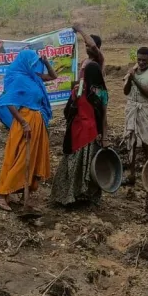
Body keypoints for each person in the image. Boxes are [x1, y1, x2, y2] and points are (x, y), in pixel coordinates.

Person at [0, 49, 57, 212]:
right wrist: (23, 123)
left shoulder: (34, 78)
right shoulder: (19, 79)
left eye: (36, 63)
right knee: (20, 158)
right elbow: (8, 102)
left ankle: (24, 193)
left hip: (37, 121)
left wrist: (46, 61)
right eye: (33, 63)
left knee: (33, 158)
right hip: (25, 122)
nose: (36, 66)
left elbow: (53, 76)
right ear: (25, 63)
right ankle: (1, 195)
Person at [52, 61, 108, 207]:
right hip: (91, 133)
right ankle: (86, 195)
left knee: (73, 164)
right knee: (90, 166)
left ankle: (69, 195)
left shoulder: (82, 90)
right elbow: (104, 117)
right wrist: (104, 136)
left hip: (78, 132)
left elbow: (68, 112)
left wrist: (75, 99)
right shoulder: (100, 92)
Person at [123, 46, 148, 182]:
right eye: (139, 60)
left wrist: (135, 79)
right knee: (131, 140)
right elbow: (126, 92)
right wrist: (129, 78)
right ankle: (131, 174)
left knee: (146, 141)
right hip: (132, 107)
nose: (141, 62)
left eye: (144, 60)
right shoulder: (133, 72)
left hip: (144, 108)